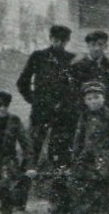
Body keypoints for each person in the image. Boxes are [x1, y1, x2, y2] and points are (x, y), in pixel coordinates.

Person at [63, 81, 109, 214]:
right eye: (89, 99)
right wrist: (75, 155)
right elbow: (79, 137)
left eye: (97, 97)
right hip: (86, 155)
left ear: (103, 98)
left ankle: (100, 209)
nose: (93, 102)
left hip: (104, 156)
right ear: (85, 101)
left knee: (101, 182)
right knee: (79, 180)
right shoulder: (85, 116)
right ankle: (82, 210)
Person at [16, 24, 76, 170]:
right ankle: (27, 180)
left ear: (67, 41)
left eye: (63, 40)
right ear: (50, 38)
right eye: (56, 39)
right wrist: (34, 100)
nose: (59, 43)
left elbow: (76, 87)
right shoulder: (38, 57)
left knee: (61, 148)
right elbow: (22, 82)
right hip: (41, 109)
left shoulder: (71, 59)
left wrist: (69, 103)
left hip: (63, 111)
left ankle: (57, 182)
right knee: (34, 146)